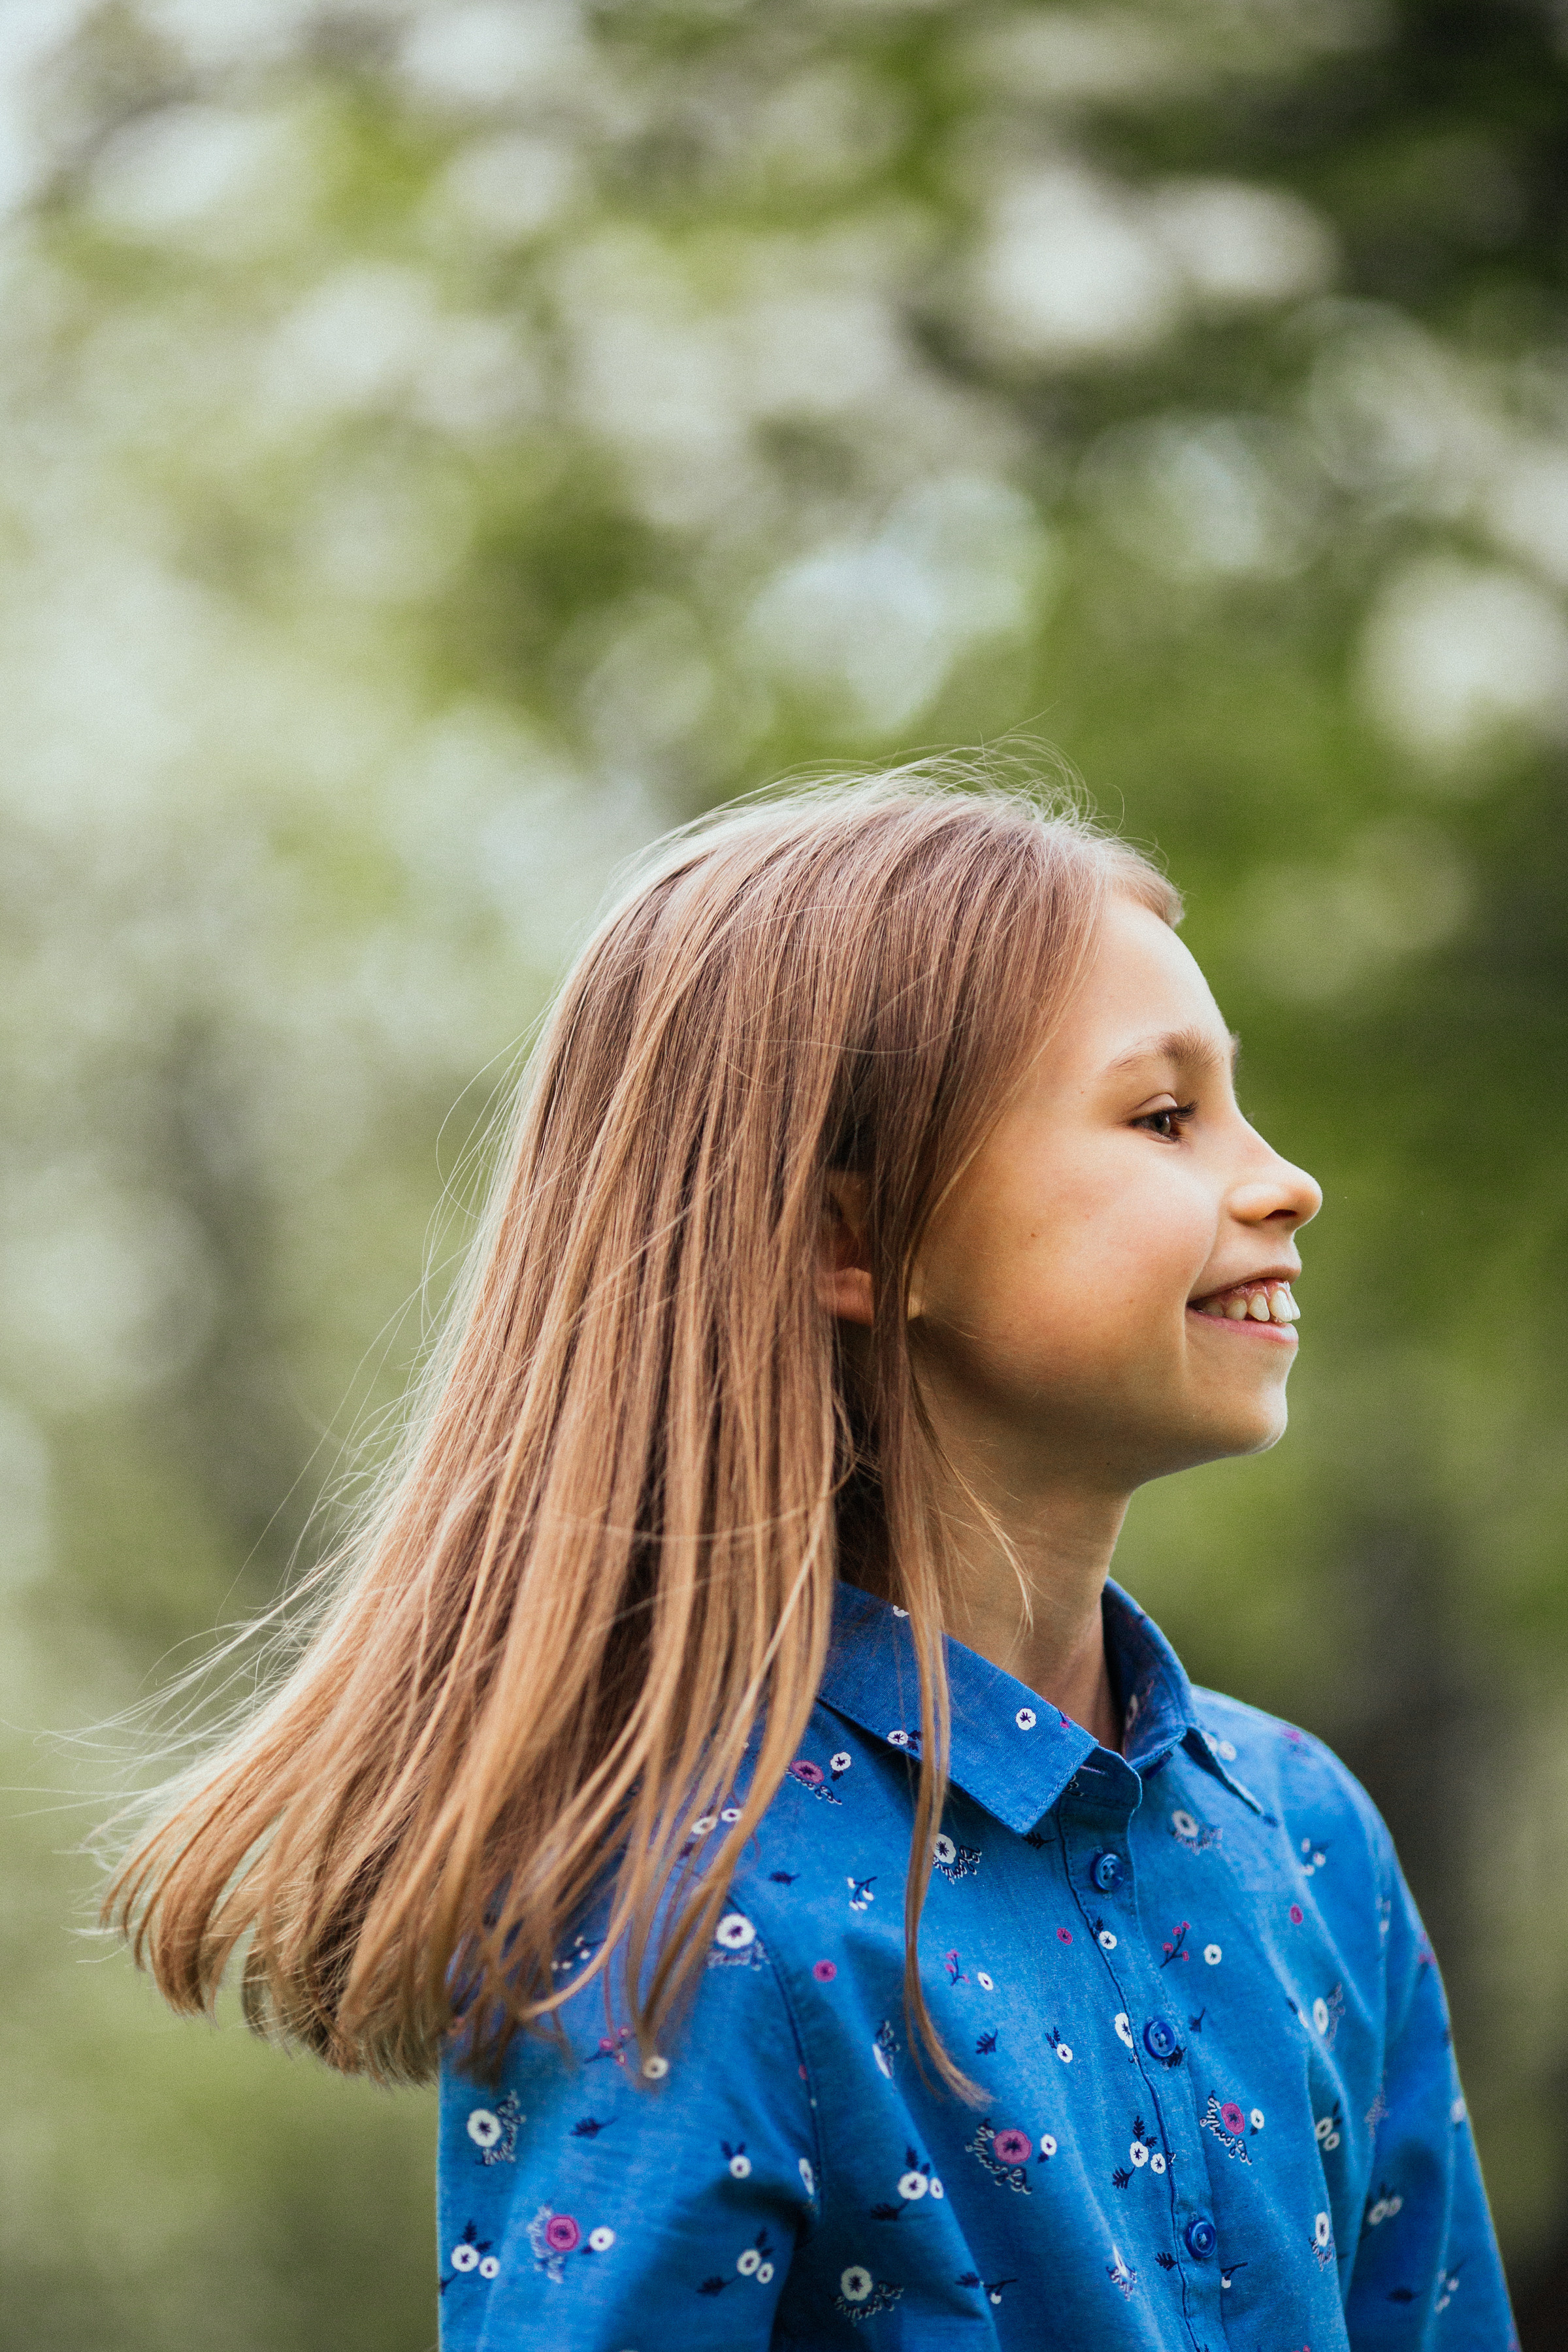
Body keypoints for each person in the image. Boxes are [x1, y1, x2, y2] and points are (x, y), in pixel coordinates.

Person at [106, 769, 1514, 2348]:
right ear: (854, 1244)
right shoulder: (696, 1926)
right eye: (1165, 1116)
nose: (1283, 1178)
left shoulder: (1310, 1837)